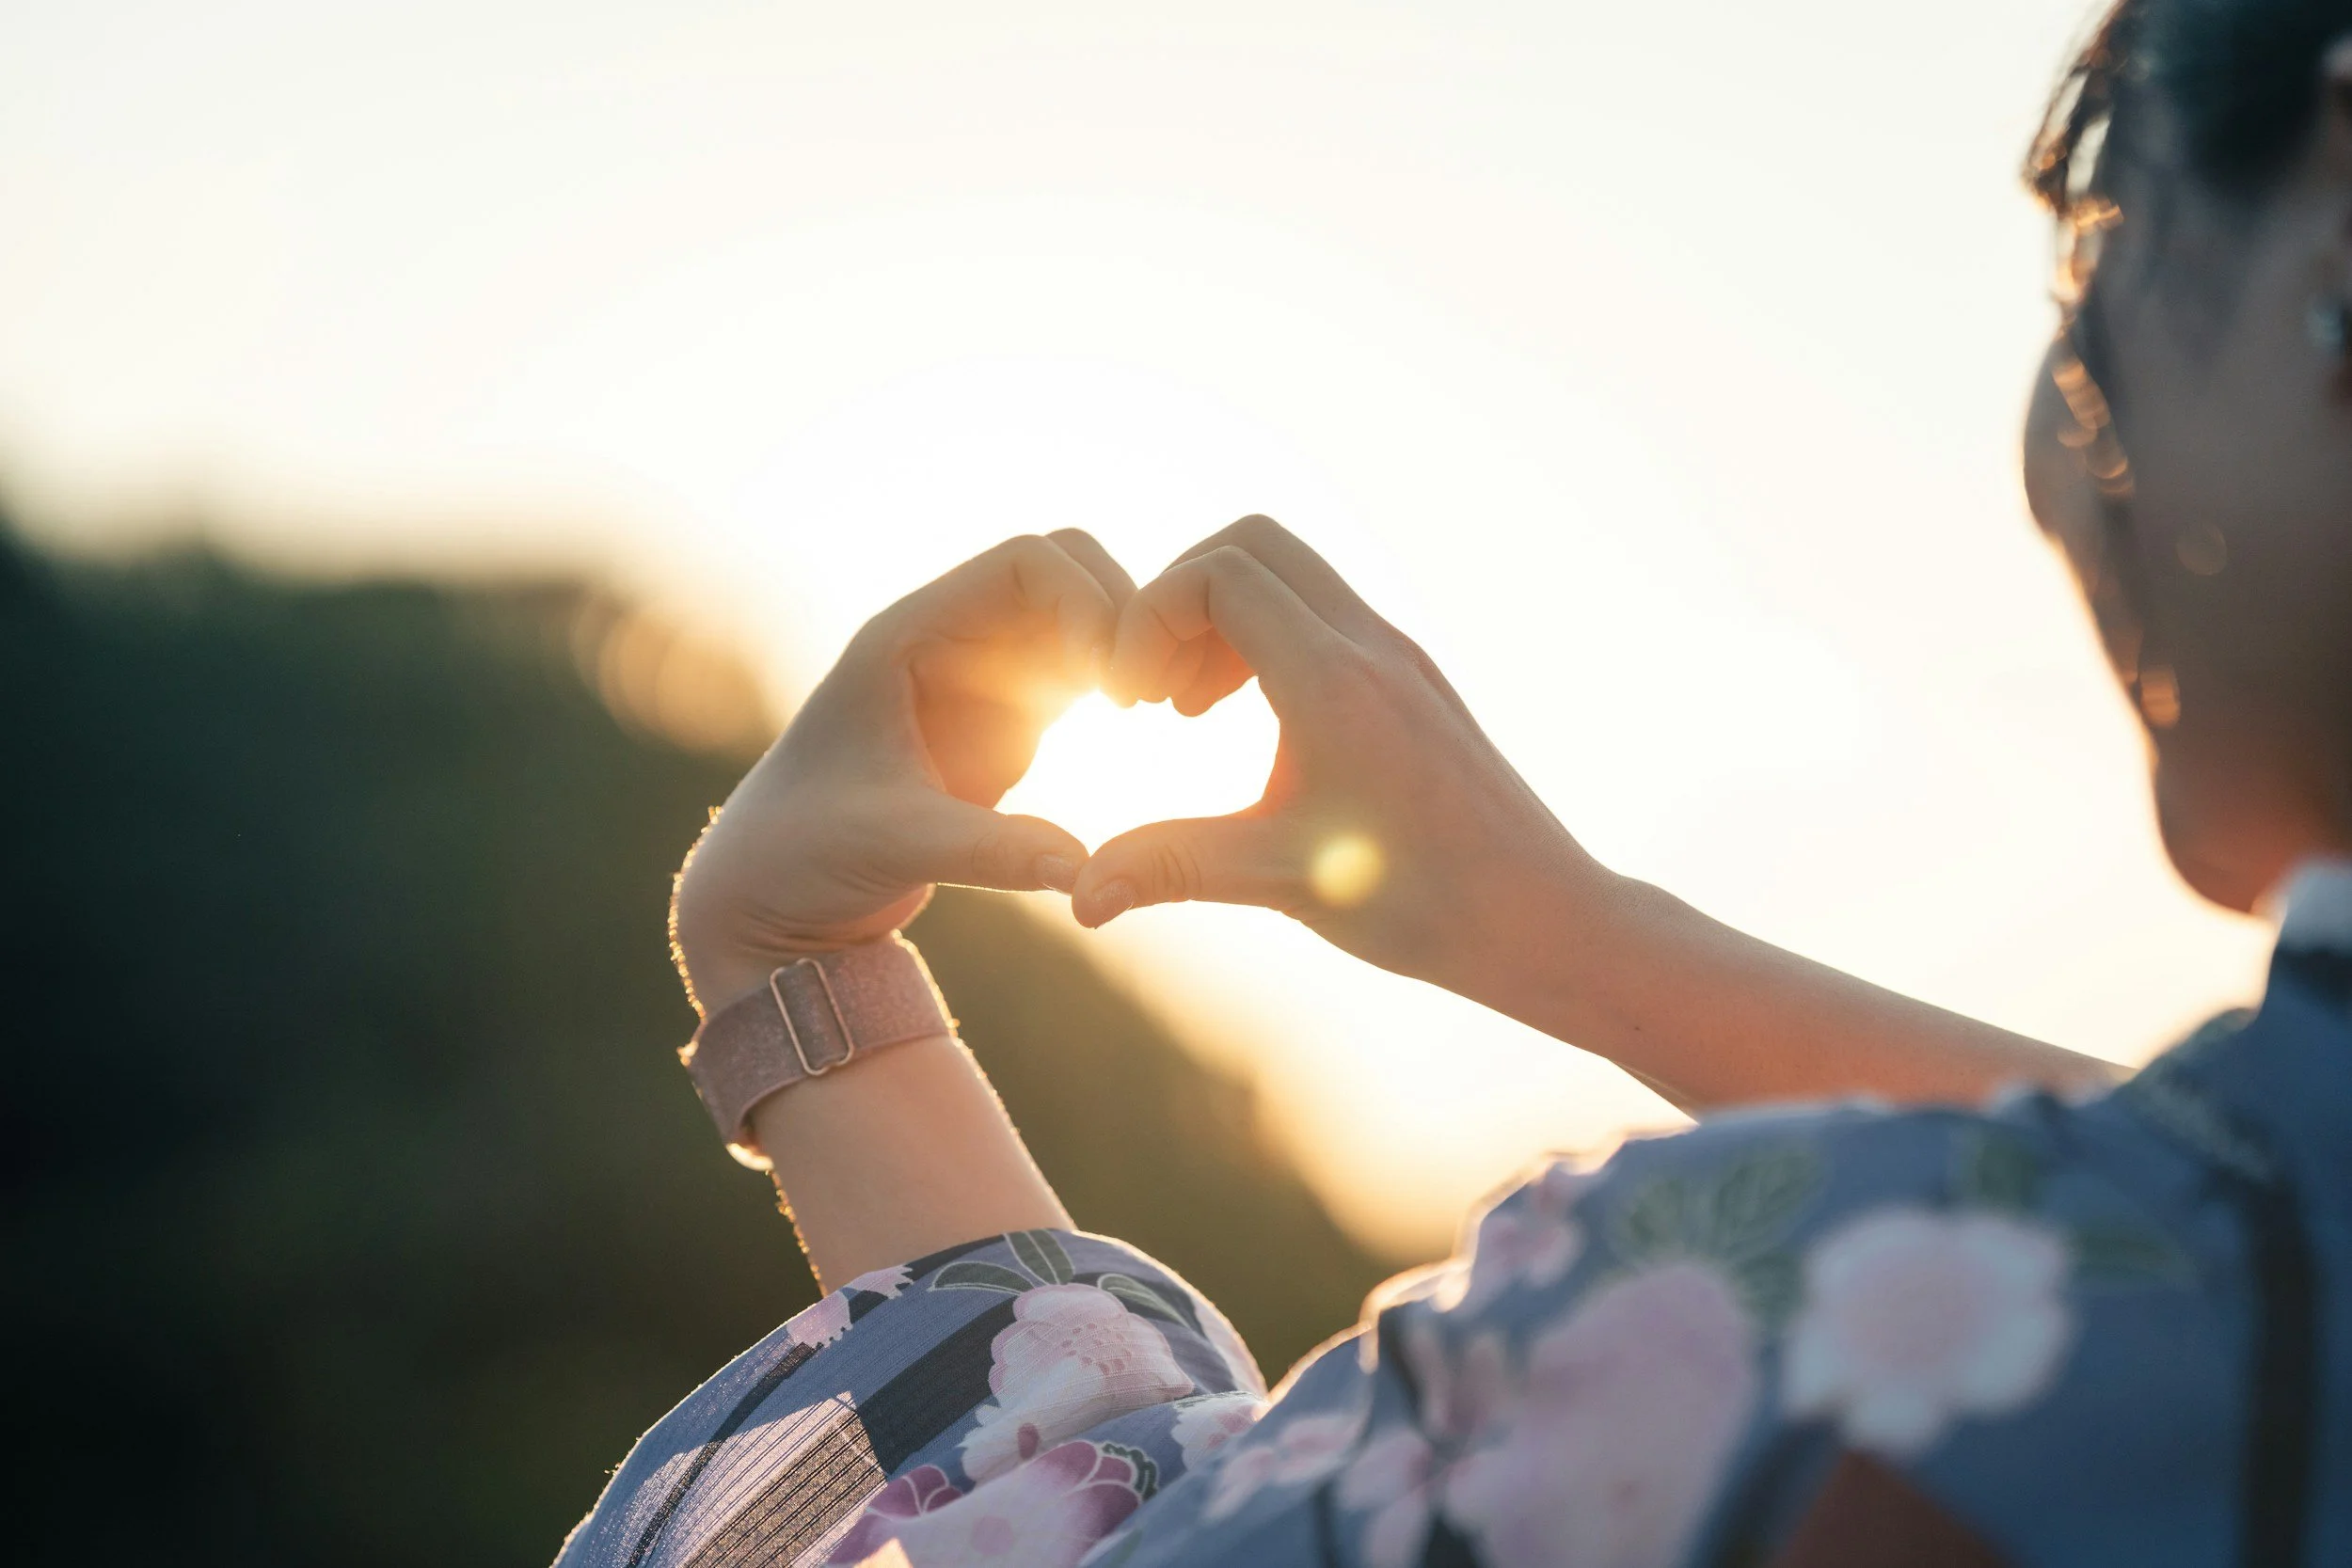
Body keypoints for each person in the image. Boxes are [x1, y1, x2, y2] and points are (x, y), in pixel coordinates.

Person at [554, 1, 2352, 1562]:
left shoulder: (1773, 1329)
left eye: (2103, 328)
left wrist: (800, 970)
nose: (2061, 463)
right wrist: (1574, 934)